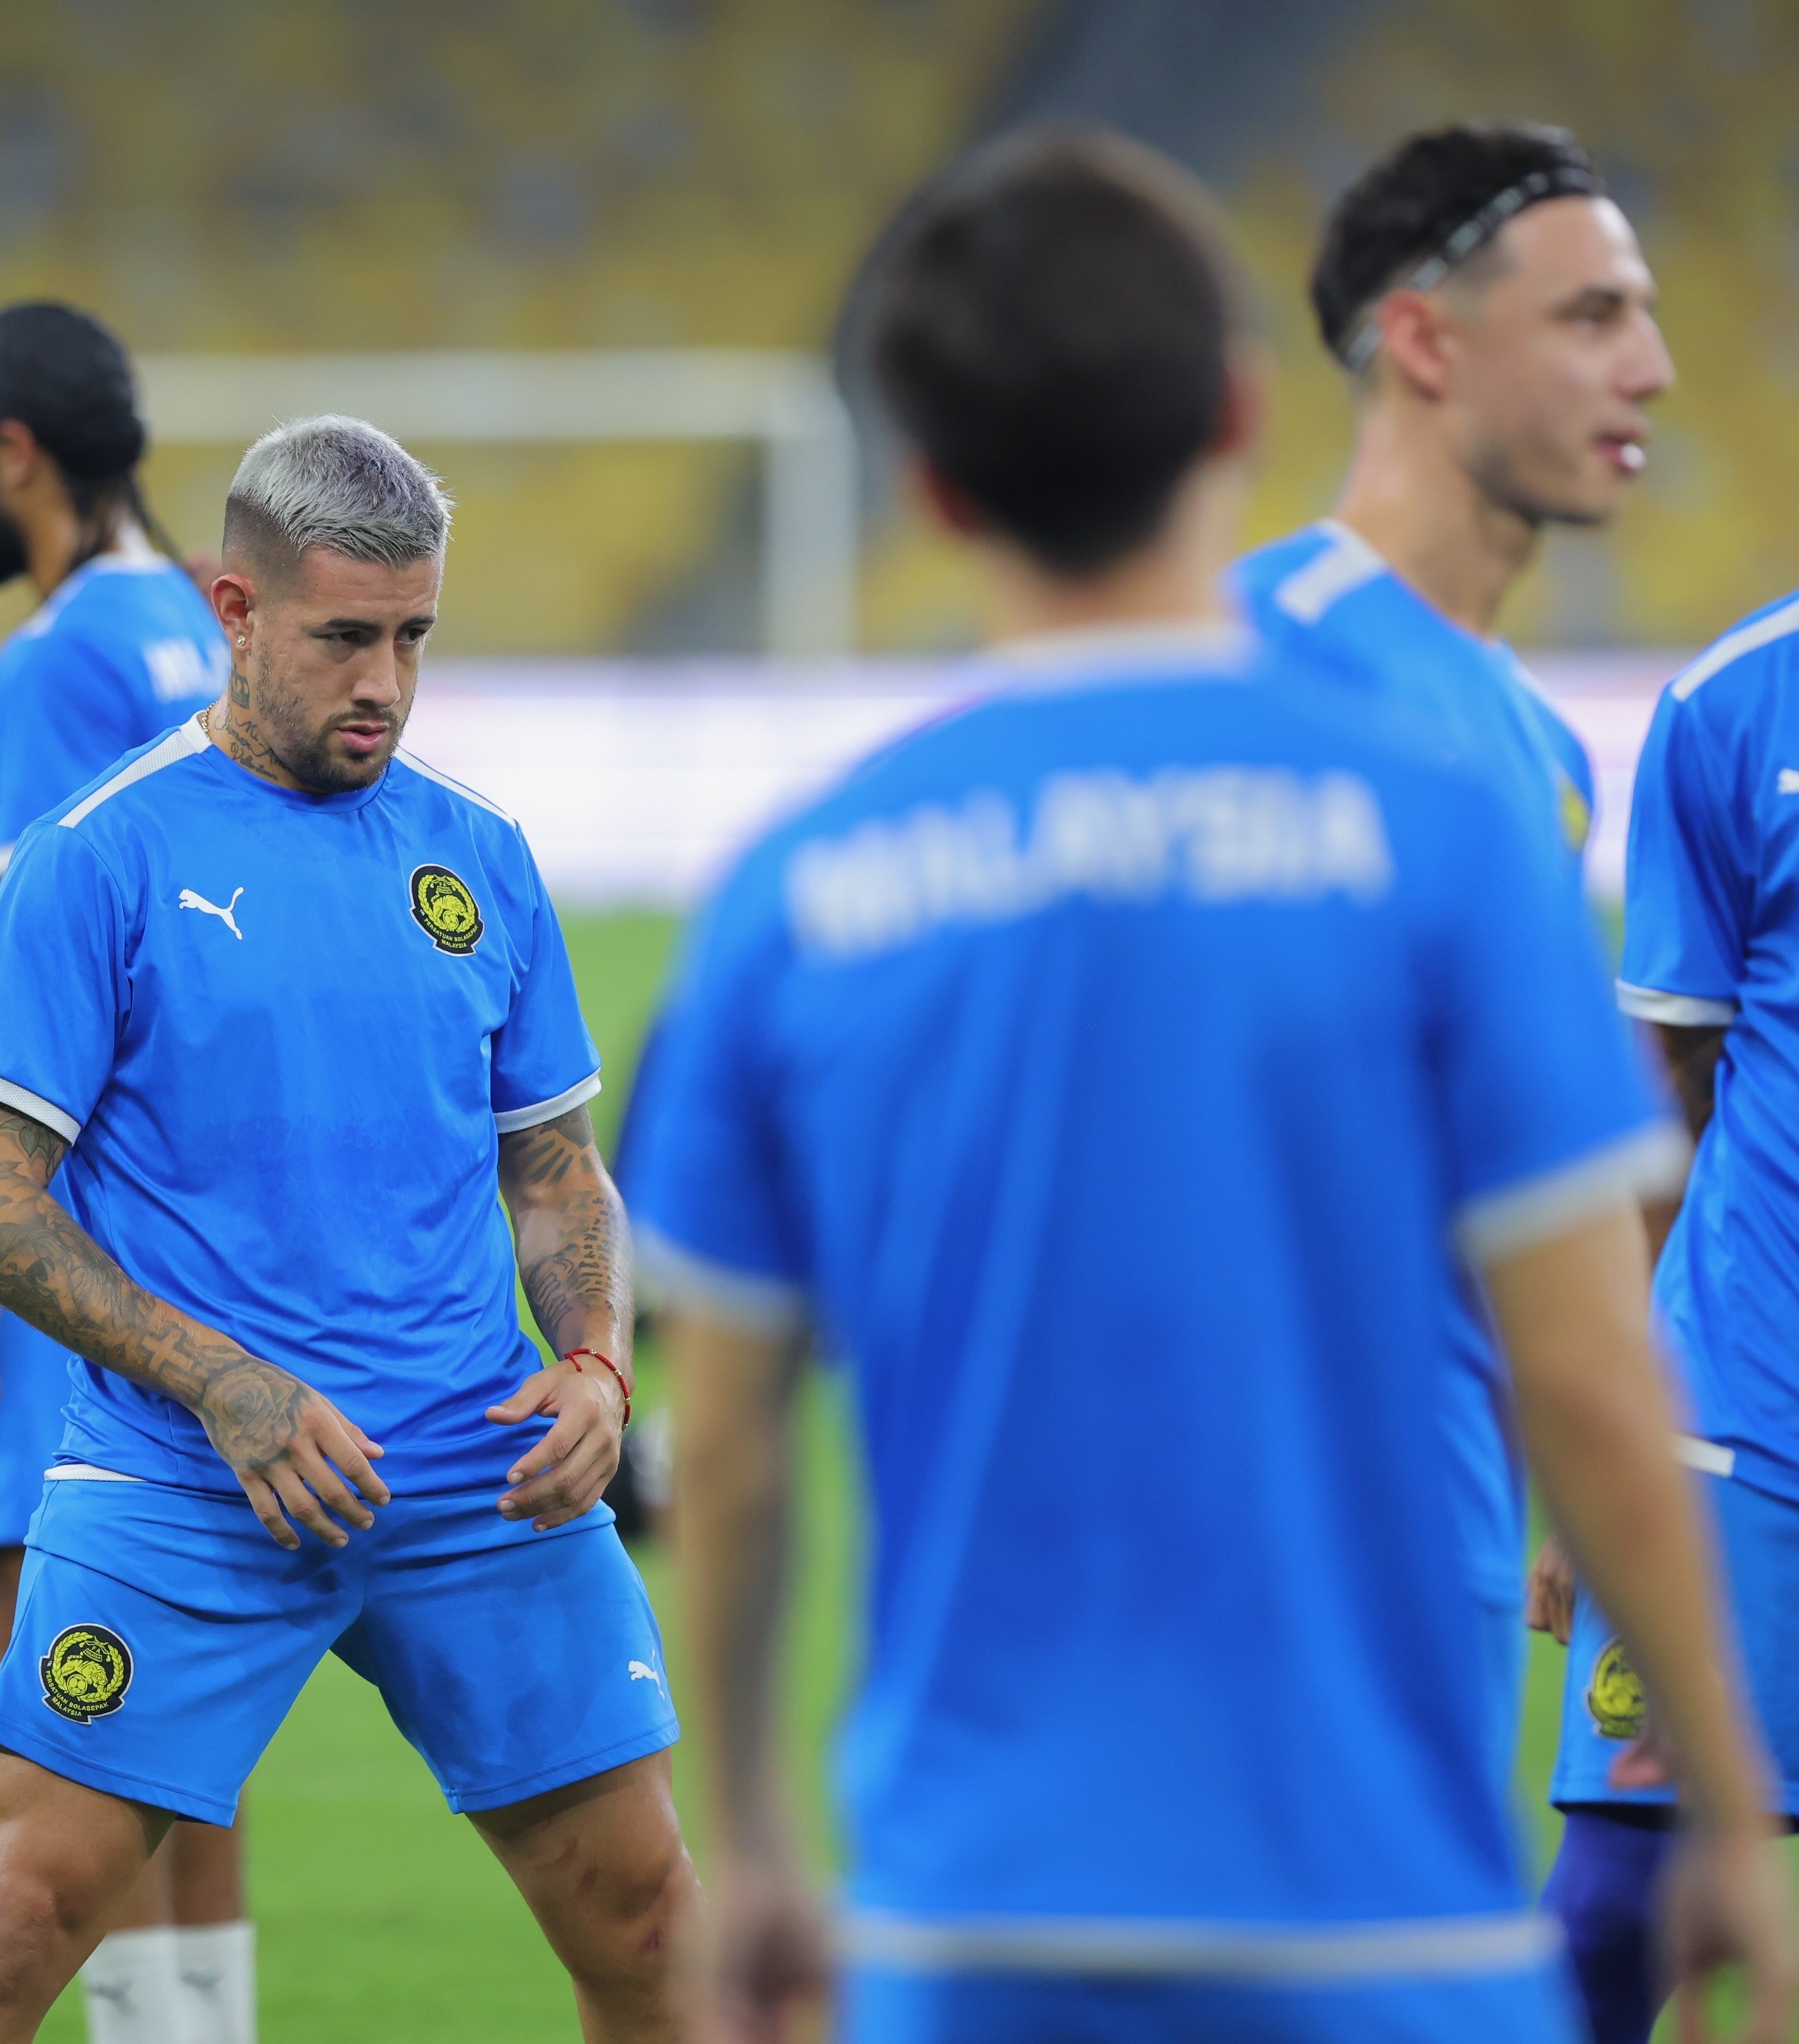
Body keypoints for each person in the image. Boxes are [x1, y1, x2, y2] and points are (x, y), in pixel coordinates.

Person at [636, 130, 1796, 2044]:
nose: (1651, 368)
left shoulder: (800, 882)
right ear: (1247, 414)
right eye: (1597, 313)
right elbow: (1592, 1355)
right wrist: (1732, 1807)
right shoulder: (1416, 808)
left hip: (969, 1896)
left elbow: (737, 1440)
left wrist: (755, 1836)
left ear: (930, 489)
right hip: (1366, 1869)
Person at [0, 414, 692, 2044]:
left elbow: (555, 1172)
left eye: (412, 638)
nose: (383, 682)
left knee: (652, 1920)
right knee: (13, 1926)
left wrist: (597, 1363)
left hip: (479, 1473)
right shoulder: (100, 855)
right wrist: (223, 1384)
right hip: (190, 1484)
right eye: (342, 638)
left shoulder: (477, 854)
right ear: (234, 611)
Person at [1231, 125, 1674, 1792]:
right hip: (1251, 1558)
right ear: (1424, 339)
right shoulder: (1243, 662)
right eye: (1591, 314)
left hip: (1453, 1537)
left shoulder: (1536, 746)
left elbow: (1524, 1183)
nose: (1651, 365)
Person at [0, 298, 249, 2039]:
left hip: (80, 1219)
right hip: (205, 1212)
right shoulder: (188, 618)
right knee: (195, 1646)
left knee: (56, 1645)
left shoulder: (51, 663)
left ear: (13, 454)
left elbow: (34, 978)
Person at [1525, 583, 1799, 2043]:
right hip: (1741, 1418)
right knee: (1611, 1917)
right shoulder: (1734, 702)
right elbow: (1658, 1109)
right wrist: (1603, 1464)